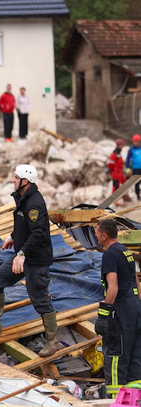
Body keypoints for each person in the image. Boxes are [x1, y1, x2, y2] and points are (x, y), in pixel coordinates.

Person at [0, 165, 62, 356]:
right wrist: (13, 236)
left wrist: (21, 254)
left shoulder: (34, 203)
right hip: (23, 256)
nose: (12, 181)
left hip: (35, 260)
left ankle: (52, 342)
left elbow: (38, 232)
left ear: (25, 181)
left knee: (39, 299)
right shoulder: (23, 198)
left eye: (15, 178)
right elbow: (25, 226)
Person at [94, 219, 141, 397]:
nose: (96, 235)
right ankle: (134, 398)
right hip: (135, 308)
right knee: (135, 358)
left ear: (104, 235)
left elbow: (112, 287)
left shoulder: (110, 255)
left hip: (121, 309)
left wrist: (104, 314)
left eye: (97, 232)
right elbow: (136, 280)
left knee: (116, 356)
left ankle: (115, 399)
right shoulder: (125, 251)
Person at [125, 134, 141, 200]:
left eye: (137, 141)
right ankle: (138, 196)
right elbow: (128, 159)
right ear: (133, 142)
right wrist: (127, 167)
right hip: (135, 168)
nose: (136, 143)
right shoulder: (131, 149)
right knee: (136, 183)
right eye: (135, 141)